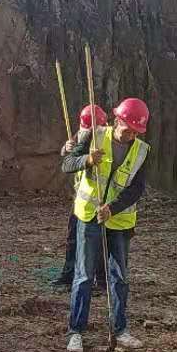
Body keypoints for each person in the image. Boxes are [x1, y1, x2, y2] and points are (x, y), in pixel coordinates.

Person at [60, 98, 152, 352]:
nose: (131, 135)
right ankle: (76, 332)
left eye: (136, 131)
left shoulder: (142, 151)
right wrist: (87, 160)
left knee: (119, 277)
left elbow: (137, 189)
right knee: (84, 276)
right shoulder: (94, 136)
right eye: (127, 129)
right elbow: (67, 164)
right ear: (116, 121)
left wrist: (112, 208)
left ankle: (120, 330)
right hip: (88, 216)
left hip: (119, 222)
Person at [54, 104, 108, 292]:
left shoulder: (104, 138)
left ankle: (100, 281)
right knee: (73, 239)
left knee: (99, 243)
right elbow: (68, 161)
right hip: (81, 200)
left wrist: (87, 157)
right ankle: (68, 275)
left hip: (101, 201)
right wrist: (66, 148)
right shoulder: (80, 135)